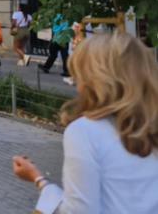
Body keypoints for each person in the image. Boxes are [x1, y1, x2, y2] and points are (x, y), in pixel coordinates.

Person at [11, 33, 158, 213]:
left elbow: (80, 210)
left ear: (94, 80)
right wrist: (39, 179)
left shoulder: (85, 131)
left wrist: (42, 186)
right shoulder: (150, 126)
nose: (75, 84)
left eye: (79, 75)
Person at [40, 14, 71, 81]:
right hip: (66, 38)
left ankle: (46, 67)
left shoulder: (57, 17)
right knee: (65, 55)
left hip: (57, 38)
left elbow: (55, 28)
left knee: (53, 54)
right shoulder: (68, 16)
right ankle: (67, 71)